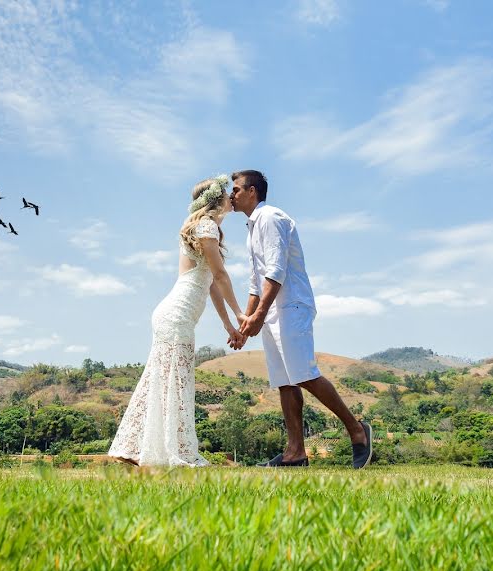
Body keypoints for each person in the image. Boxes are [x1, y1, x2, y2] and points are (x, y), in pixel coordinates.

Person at [228, 170, 372, 468]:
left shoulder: (270, 218)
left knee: (304, 374)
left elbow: (276, 271)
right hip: (271, 312)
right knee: (285, 382)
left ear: (252, 191)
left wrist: (259, 315)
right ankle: (295, 453)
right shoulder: (252, 227)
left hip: (291, 306)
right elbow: (256, 282)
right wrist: (246, 320)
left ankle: (358, 431)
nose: (232, 195)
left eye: (237, 189)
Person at [109, 175, 246, 466]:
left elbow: (211, 285)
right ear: (216, 200)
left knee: (163, 381)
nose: (230, 196)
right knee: (177, 382)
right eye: (226, 193)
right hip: (176, 315)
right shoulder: (207, 225)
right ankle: (173, 452)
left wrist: (229, 326)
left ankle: (134, 450)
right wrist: (240, 313)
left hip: (174, 315)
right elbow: (220, 277)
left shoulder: (207, 228)